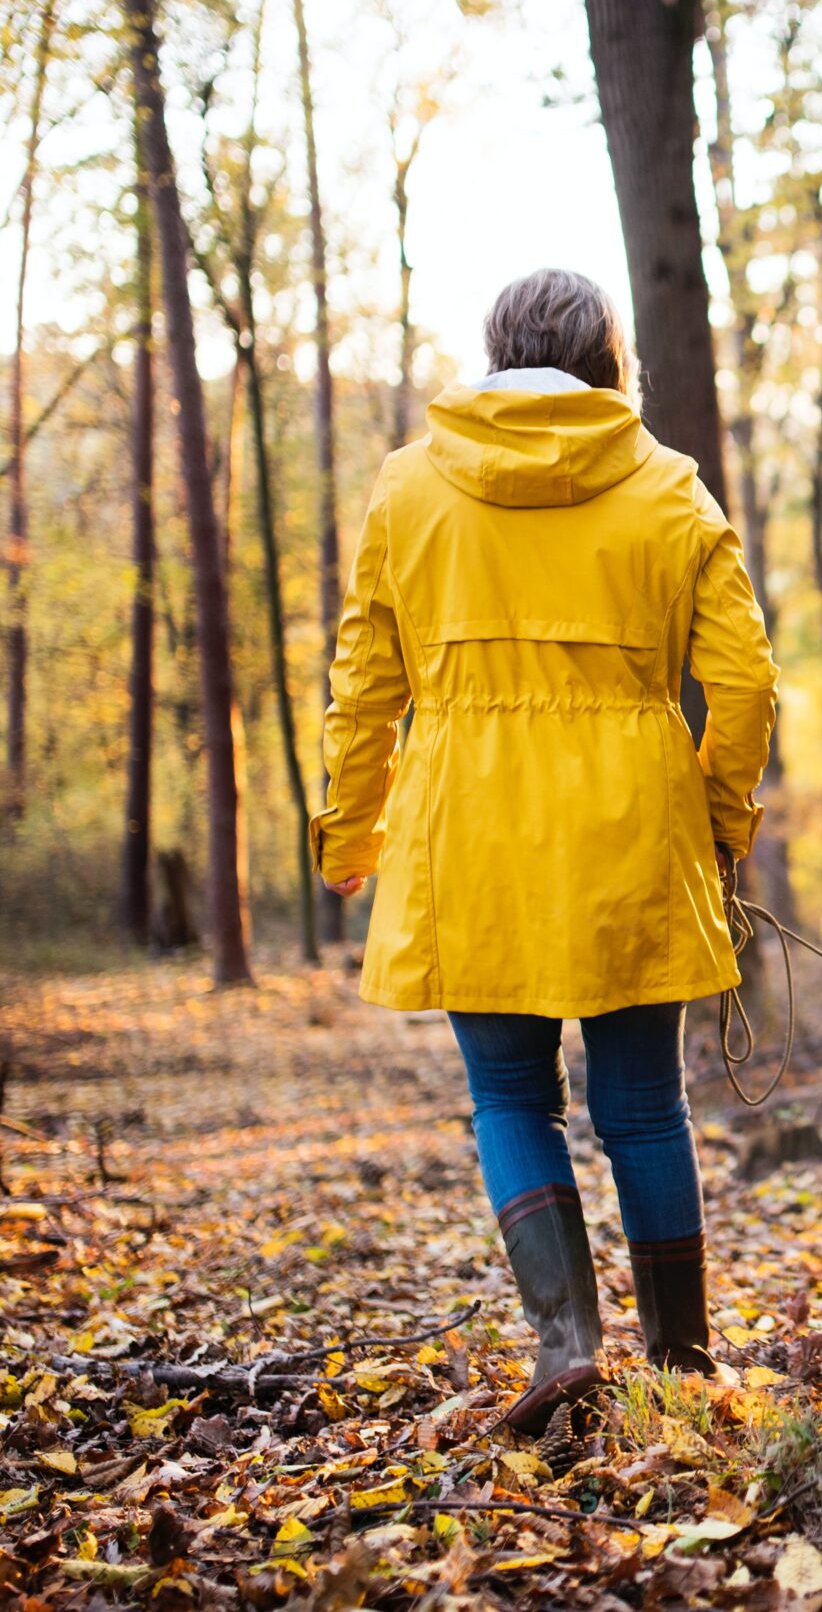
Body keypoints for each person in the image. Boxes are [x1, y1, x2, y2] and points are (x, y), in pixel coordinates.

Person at [311, 268, 777, 1435]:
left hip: (468, 835)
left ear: (496, 350)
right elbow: (744, 684)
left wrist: (351, 829)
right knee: (644, 1106)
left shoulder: (409, 487)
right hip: (634, 832)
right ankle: (682, 1363)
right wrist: (719, 822)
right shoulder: (668, 487)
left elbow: (365, 684)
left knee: (510, 1095)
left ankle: (567, 1344)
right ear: (612, 362)